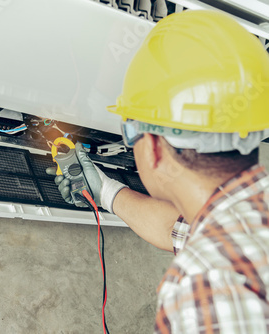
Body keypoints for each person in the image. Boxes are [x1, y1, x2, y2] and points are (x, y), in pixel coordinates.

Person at [47, 10, 269, 333]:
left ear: (150, 146)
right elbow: (179, 232)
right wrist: (104, 192)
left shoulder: (204, 288)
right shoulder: (248, 213)